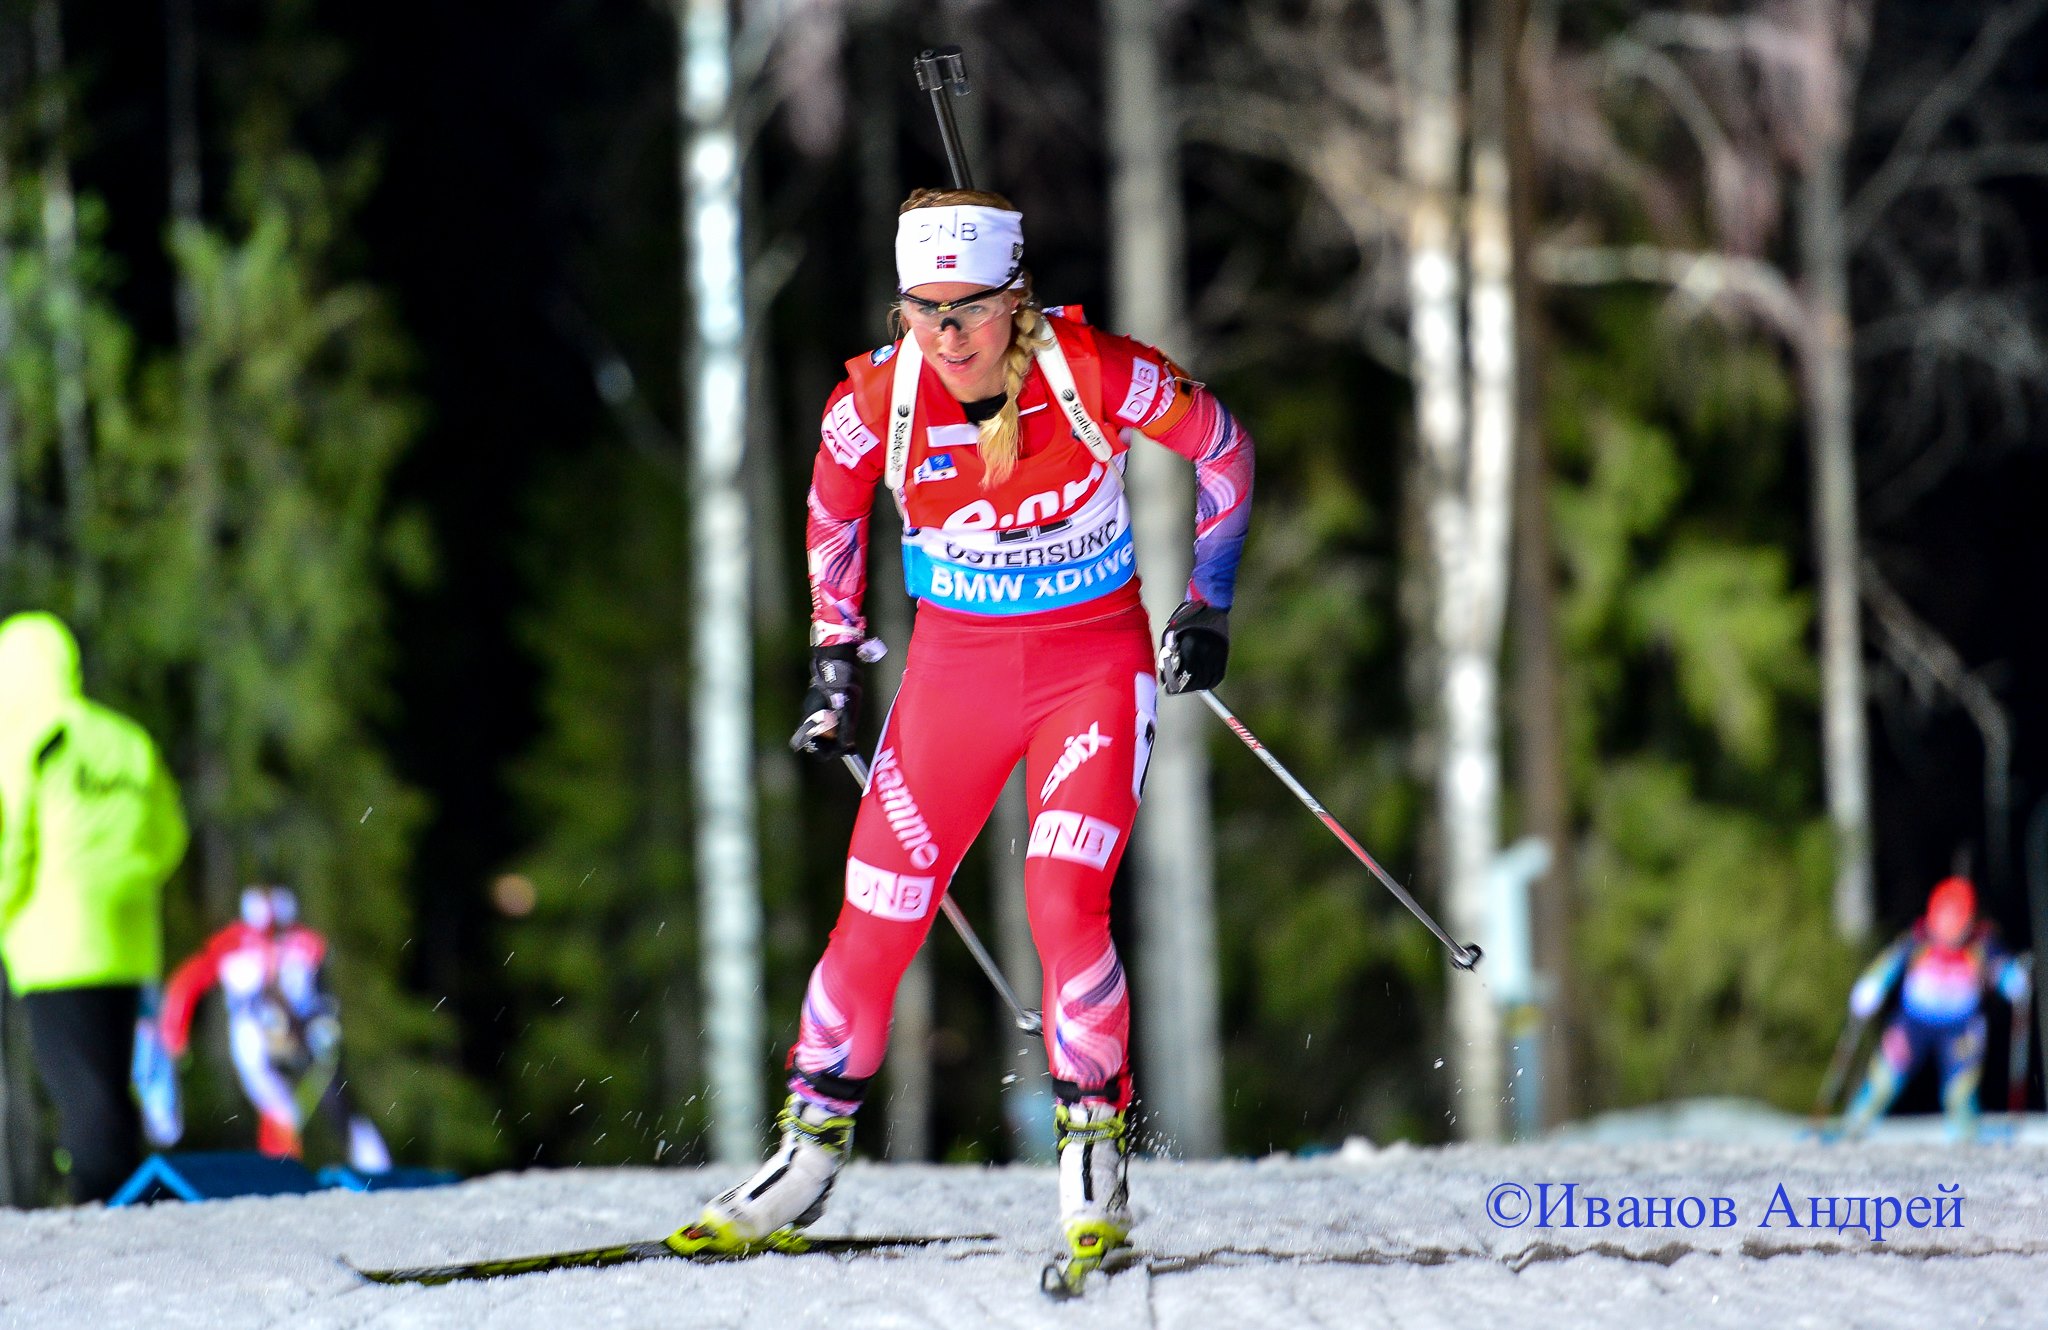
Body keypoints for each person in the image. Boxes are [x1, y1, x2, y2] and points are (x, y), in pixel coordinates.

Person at [680, 189, 1254, 1266]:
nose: (946, 336)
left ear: (1015, 299)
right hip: (954, 679)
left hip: (1090, 669)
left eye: (970, 309)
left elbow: (1221, 447)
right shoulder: (874, 403)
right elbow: (828, 514)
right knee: (875, 913)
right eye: (922, 310)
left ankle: (1093, 1160)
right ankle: (804, 1157)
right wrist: (833, 660)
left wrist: (1206, 602)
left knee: (1059, 898)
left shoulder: (1095, 373)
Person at [0, 611, 188, 1202]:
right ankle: (128, 1200)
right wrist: (127, 878)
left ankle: (108, 1210)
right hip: (128, 941)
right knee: (110, 1087)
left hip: (56, 943)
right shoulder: (128, 740)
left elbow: (13, 846)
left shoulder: (25, 741)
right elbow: (170, 835)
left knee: (81, 1092)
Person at [159, 884, 391, 1172]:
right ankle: (282, 1166)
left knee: (336, 1094)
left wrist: (327, 1019)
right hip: (253, 1034)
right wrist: (174, 1034)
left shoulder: (305, 943)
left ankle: (375, 1164)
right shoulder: (230, 945)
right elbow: (186, 983)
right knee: (277, 1103)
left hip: (304, 1030)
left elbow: (323, 988)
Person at [1841, 875, 2031, 1142]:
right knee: (1885, 1076)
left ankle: (1964, 1131)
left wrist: (2012, 979)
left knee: (1960, 1089)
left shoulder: (1981, 944)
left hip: (1960, 1026)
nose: (1946, 933)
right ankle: (1855, 1123)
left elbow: (2001, 966)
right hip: (1913, 1022)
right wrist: (1873, 985)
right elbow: (1890, 963)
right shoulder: (1918, 940)